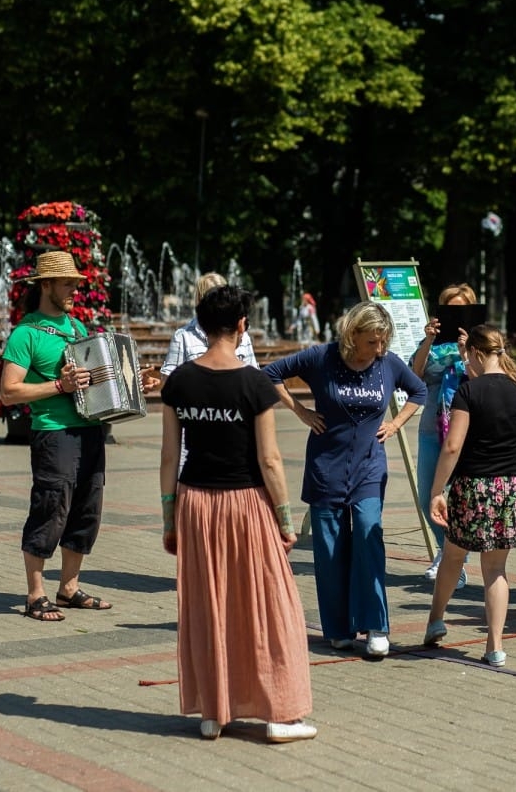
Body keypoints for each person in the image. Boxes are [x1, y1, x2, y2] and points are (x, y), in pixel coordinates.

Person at [160, 285, 316, 743]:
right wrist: (286, 521)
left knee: (208, 606)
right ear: (242, 325)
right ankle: (279, 714)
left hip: (193, 502)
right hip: (246, 503)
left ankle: (213, 712)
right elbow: (269, 460)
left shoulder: (179, 382)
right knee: (271, 607)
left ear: (202, 324)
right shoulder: (254, 383)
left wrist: (169, 519)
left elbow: (170, 457)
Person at [0, 251, 157, 622]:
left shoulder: (78, 330)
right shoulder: (27, 333)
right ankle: (35, 594)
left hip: (89, 432)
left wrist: (134, 384)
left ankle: (68, 588)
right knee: (50, 508)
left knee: (87, 508)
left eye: (76, 284)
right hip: (54, 435)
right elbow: (9, 391)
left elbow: (94, 388)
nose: (75, 290)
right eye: (68, 283)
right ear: (46, 285)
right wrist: (58, 384)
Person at [264, 302, 427, 658]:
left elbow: (419, 391)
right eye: (372, 342)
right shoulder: (321, 357)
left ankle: (377, 626)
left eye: (383, 342)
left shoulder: (388, 364)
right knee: (330, 550)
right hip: (326, 466)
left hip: (369, 467)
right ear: (353, 335)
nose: (379, 349)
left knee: (369, 537)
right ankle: (337, 629)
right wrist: (301, 411)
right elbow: (269, 374)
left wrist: (396, 424)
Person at [423, 326, 516, 666]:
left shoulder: (469, 391)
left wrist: (437, 491)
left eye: (468, 357)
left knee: (452, 556)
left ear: (477, 353)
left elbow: (452, 445)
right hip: (513, 487)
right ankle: (494, 646)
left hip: (473, 487)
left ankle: (436, 620)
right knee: (496, 569)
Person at [411, 282, 479, 589]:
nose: (454, 315)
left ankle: (455, 562)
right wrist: (427, 340)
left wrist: (466, 352)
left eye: (460, 309)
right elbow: (414, 376)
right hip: (431, 427)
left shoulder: (481, 342)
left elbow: (485, 379)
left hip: (467, 429)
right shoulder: (434, 341)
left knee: (458, 499)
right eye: (449, 309)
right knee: (429, 495)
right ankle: (446, 550)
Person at [151, 272, 258, 391]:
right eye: (212, 297)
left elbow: (253, 376)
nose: (219, 303)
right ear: (200, 301)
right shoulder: (183, 336)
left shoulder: (241, 334)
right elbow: (169, 380)